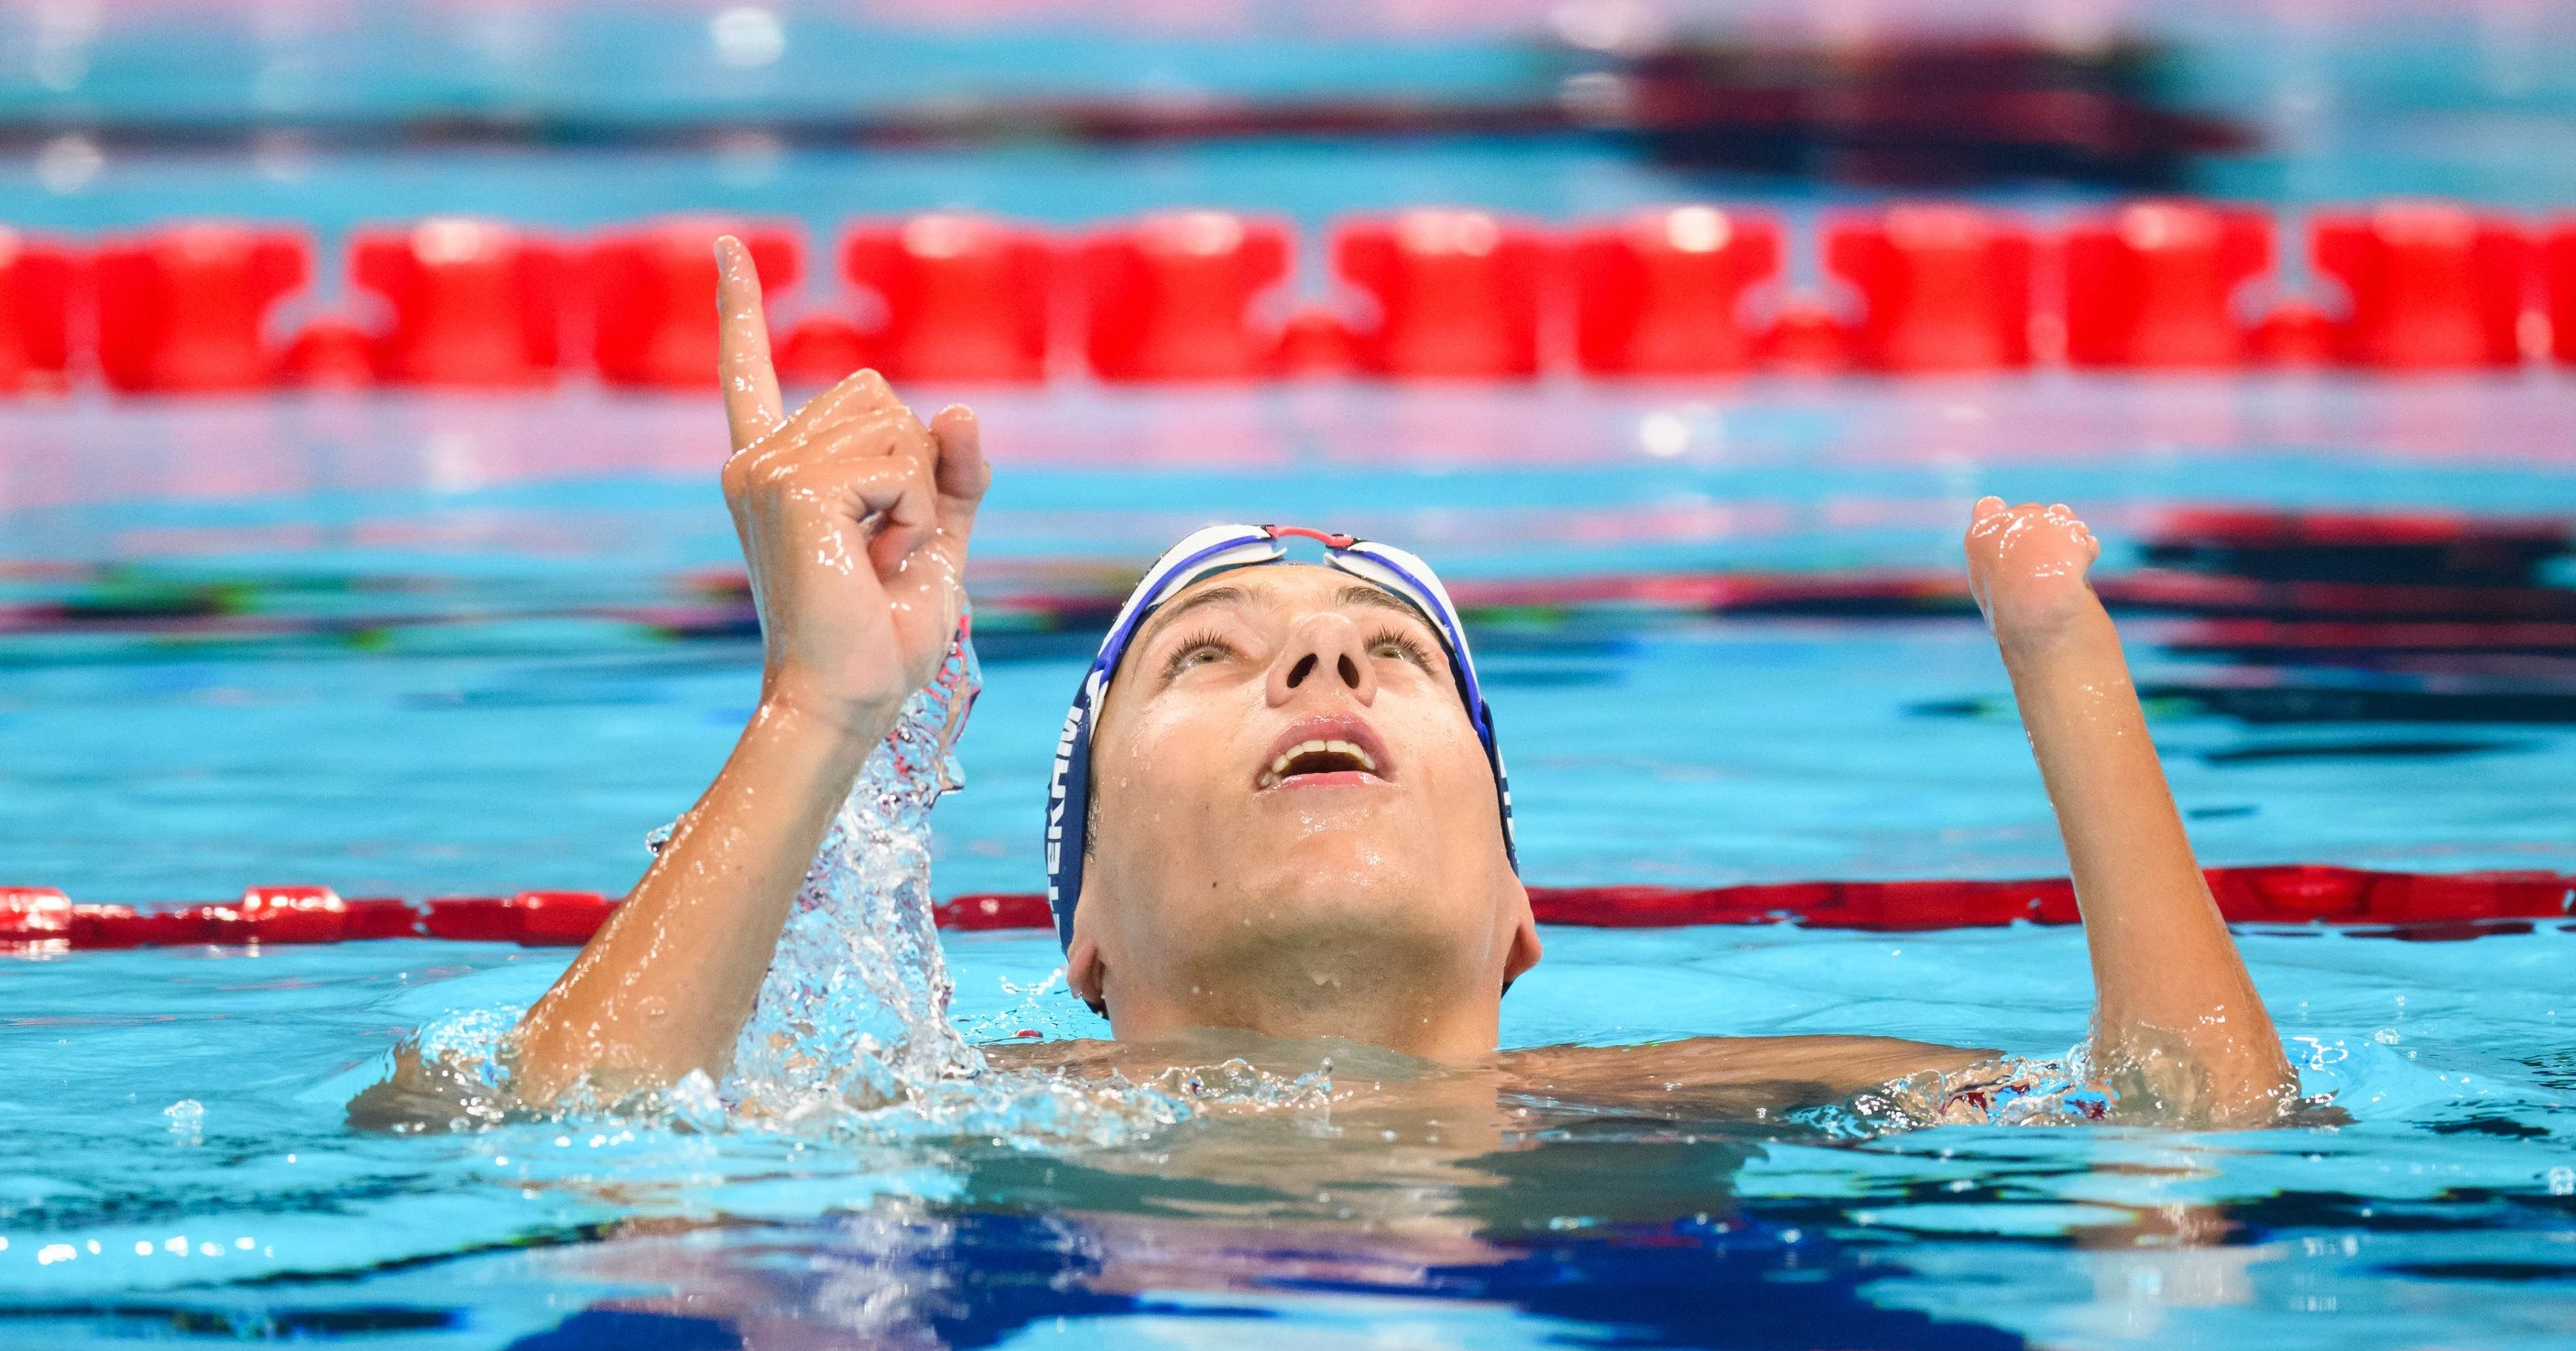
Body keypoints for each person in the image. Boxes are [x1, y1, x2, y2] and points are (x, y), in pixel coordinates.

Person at [468, 238, 2304, 1130]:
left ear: (1521, 907)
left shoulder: (1699, 1101)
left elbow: (2200, 1152)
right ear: (1079, 924)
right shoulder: (944, 1119)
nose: (1324, 654)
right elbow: (555, 1156)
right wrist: (818, 711)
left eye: (1393, 655)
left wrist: (2067, 669)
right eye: (1210, 655)